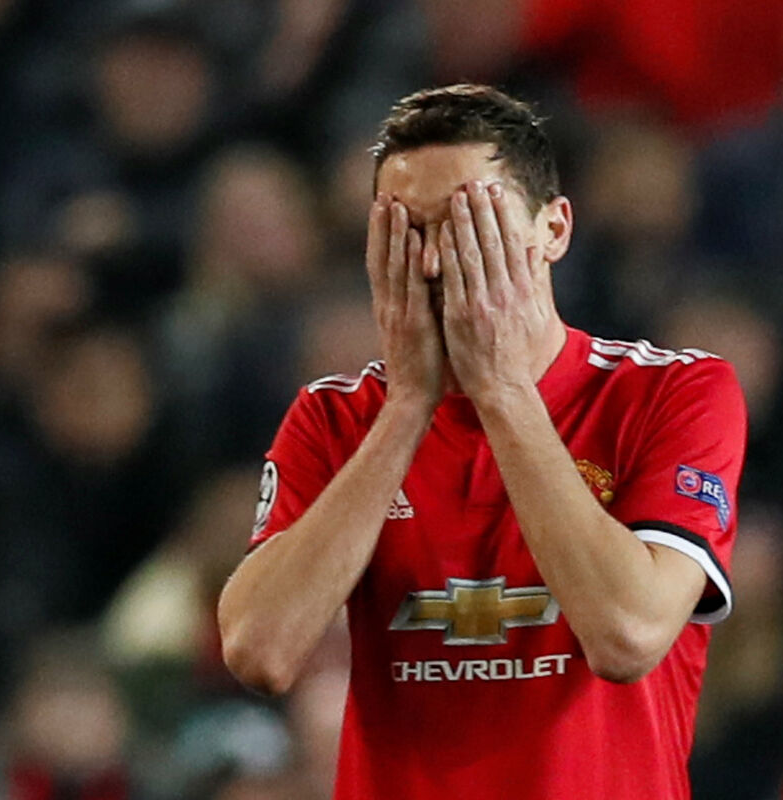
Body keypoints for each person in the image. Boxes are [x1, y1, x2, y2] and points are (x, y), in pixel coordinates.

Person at [218, 84, 747, 799]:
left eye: (472, 223)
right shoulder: (336, 417)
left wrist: (500, 390)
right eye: (409, 231)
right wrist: (408, 407)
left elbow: (627, 633)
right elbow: (259, 650)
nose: (438, 261)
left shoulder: (672, 393)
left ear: (553, 229)